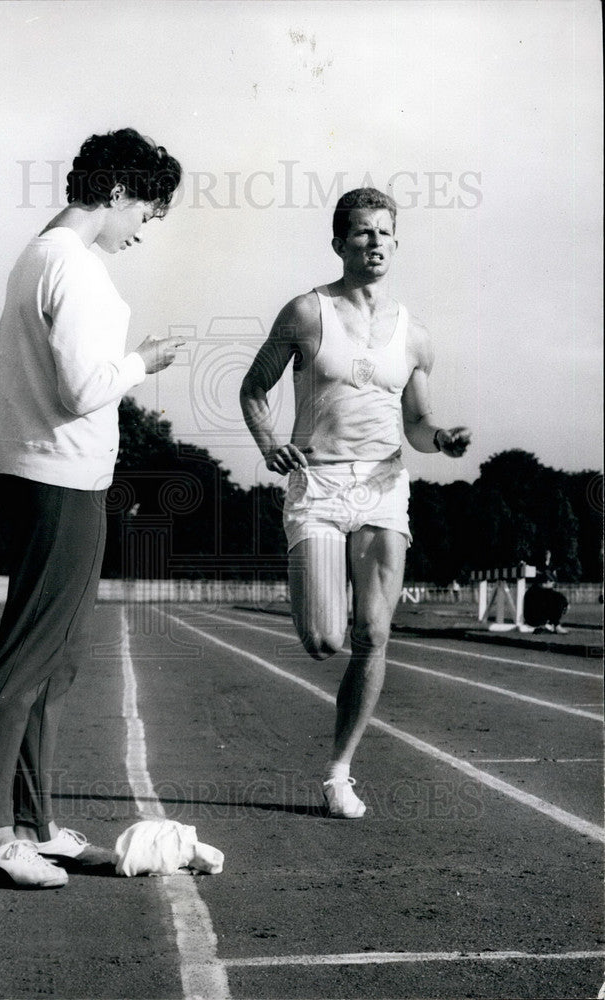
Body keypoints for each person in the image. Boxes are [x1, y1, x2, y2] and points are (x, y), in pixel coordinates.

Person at [0, 128, 184, 887]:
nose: (140, 231)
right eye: (145, 213)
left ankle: (37, 826)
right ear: (117, 192)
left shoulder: (35, 254)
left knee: (53, 663)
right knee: (31, 659)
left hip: (38, 470)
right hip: (61, 478)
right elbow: (87, 389)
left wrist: (28, 407)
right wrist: (142, 363)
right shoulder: (79, 268)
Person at [240, 187, 471, 818]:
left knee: (374, 634)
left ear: (397, 242)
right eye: (362, 232)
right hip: (317, 482)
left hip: (382, 486)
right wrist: (269, 445)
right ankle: (321, 600)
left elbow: (418, 423)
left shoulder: (415, 334)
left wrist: (441, 439)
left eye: (385, 232)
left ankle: (339, 772)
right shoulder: (306, 313)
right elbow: (254, 388)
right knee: (323, 640)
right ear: (339, 242)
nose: (375, 242)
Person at [523, 549, 569, 633]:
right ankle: (552, 624)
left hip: (548, 589)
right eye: (545, 554)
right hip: (539, 590)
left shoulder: (552, 566)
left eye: (548, 554)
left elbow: (554, 580)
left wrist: (550, 583)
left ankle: (554, 624)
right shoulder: (538, 565)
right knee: (547, 600)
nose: (547, 556)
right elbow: (535, 576)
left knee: (560, 599)